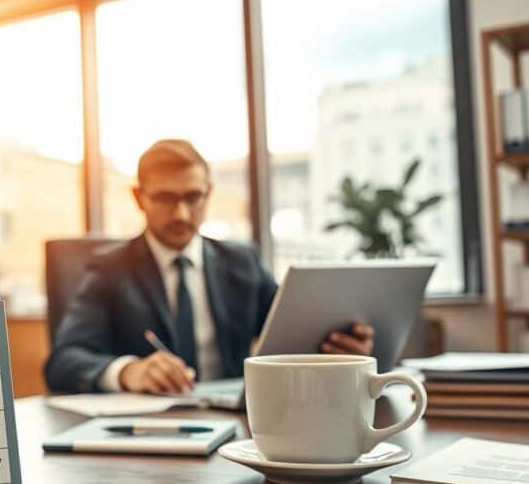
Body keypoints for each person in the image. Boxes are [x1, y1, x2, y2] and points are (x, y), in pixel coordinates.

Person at [44, 139, 375, 394]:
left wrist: (341, 351)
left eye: (193, 197)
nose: (181, 214)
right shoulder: (109, 270)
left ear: (208, 193)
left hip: (238, 427)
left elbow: (291, 333)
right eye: (165, 199)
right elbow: (63, 360)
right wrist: (129, 372)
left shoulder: (242, 263)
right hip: (150, 434)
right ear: (139, 197)